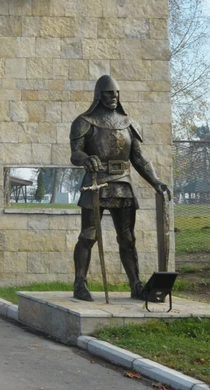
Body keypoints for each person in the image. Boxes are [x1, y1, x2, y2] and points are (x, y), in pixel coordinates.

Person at [70, 75, 171, 301]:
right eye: (108, 93)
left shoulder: (129, 123)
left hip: (123, 185)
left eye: (116, 93)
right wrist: (85, 158)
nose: (113, 96)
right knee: (88, 236)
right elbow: (75, 153)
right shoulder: (84, 122)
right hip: (95, 183)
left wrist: (156, 181)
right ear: (99, 95)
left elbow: (139, 159)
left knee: (128, 239)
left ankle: (136, 285)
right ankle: (80, 283)